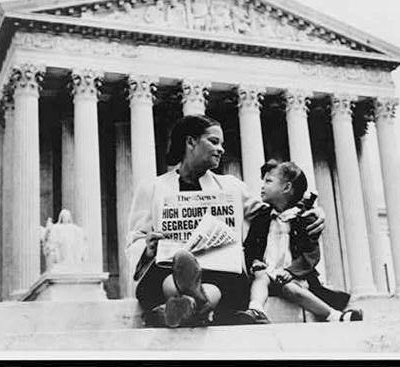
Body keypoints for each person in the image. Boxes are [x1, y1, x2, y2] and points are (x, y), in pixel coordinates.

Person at [126, 115, 326, 328]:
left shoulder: (231, 187)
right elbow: (135, 239)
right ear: (191, 142)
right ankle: (195, 303)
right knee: (167, 275)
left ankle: (184, 306)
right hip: (168, 268)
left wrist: (311, 209)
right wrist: (147, 248)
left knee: (226, 281)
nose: (221, 149)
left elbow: (273, 211)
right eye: (213, 141)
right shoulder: (153, 188)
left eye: (222, 143)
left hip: (219, 271)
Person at [237, 160, 363, 324]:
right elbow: (250, 245)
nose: (262, 186)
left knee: (291, 289)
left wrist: (292, 271)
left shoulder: (305, 218)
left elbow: (311, 254)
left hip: (294, 275)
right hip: (267, 271)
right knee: (260, 277)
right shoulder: (261, 217)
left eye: (268, 181)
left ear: (287, 187)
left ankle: (334, 315)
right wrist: (254, 262)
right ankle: (256, 309)